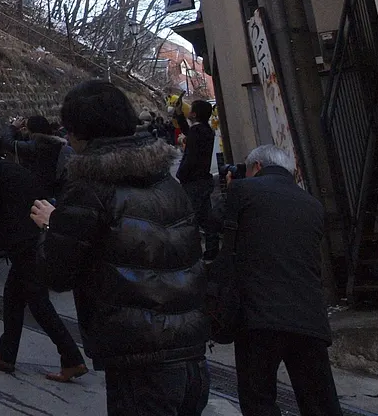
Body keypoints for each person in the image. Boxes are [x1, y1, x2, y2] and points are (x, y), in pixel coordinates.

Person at [33, 79, 210, 416]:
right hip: (191, 355)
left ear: (83, 132)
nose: (67, 138)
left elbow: (56, 272)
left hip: (139, 366)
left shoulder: (89, 187)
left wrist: (52, 224)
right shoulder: (167, 180)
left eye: (69, 130)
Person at [226, 144, 342, 416]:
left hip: (259, 315)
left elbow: (213, 222)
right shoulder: (312, 204)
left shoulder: (243, 191)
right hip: (309, 315)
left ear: (257, 168)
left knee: (259, 399)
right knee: (319, 400)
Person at [0, 145, 87, 382]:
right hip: (32, 241)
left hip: (22, 245)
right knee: (14, 299)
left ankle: (72, 357)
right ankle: (5, 355)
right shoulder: (13, 167)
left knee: (39, 304)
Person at [177, 99, 219, 259]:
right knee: (206, 217)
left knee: (190, 218)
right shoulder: (205, 130)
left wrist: (181, 174)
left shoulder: (197, 132)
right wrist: (180, 116)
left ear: (194, 113)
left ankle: (193, 253)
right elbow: (189, 132)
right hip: (203, 179)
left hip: (193, 181)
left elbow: (191, 157)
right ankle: (212, 249)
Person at [0, 115, 71, 200]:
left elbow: (7, 142)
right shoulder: (60, 145)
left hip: (41, 195)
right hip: (59, 192)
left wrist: (13, 126)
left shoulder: (35, 147)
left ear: (31, 131)